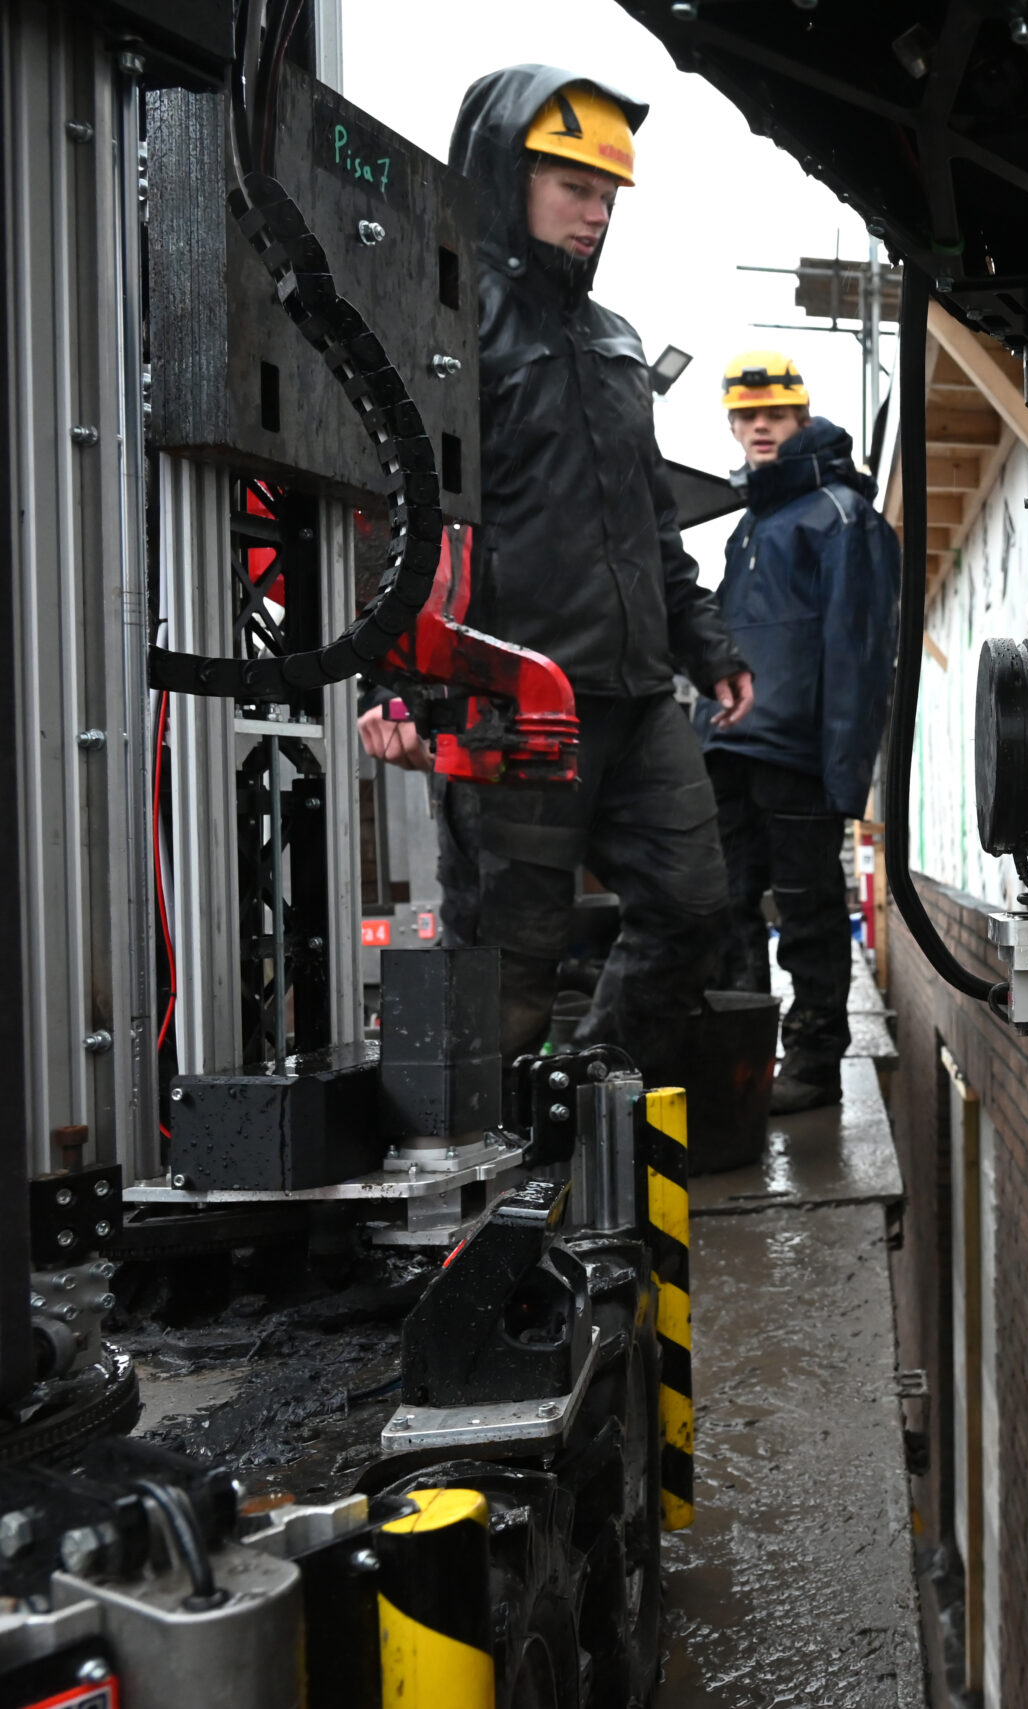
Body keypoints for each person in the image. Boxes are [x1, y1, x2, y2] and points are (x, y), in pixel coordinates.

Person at [359, 68, 752, 1083]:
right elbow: (388, 506)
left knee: (695, 908)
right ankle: (483, 1200)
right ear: (505, 171)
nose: (597, 212)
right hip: (510, 707)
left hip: (633, 699)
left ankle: (579, 1108)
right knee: (506, 966)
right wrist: (389, 676)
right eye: (574, 185)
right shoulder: (444, 323)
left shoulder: (614, 340)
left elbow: (652, 518)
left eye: (610, 194)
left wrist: (703, 639)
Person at [699, 352, 900, 1113]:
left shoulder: (844, 516)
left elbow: (859, 656)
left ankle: (814, 1059)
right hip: (731, 743)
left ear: (802, 419)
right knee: (725, 905)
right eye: (746, 417)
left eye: (774, 416)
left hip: (799, 754)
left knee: (810, 907)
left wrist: (845, 775)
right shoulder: (749, 522)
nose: (758, 428)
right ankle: (743, 1056)